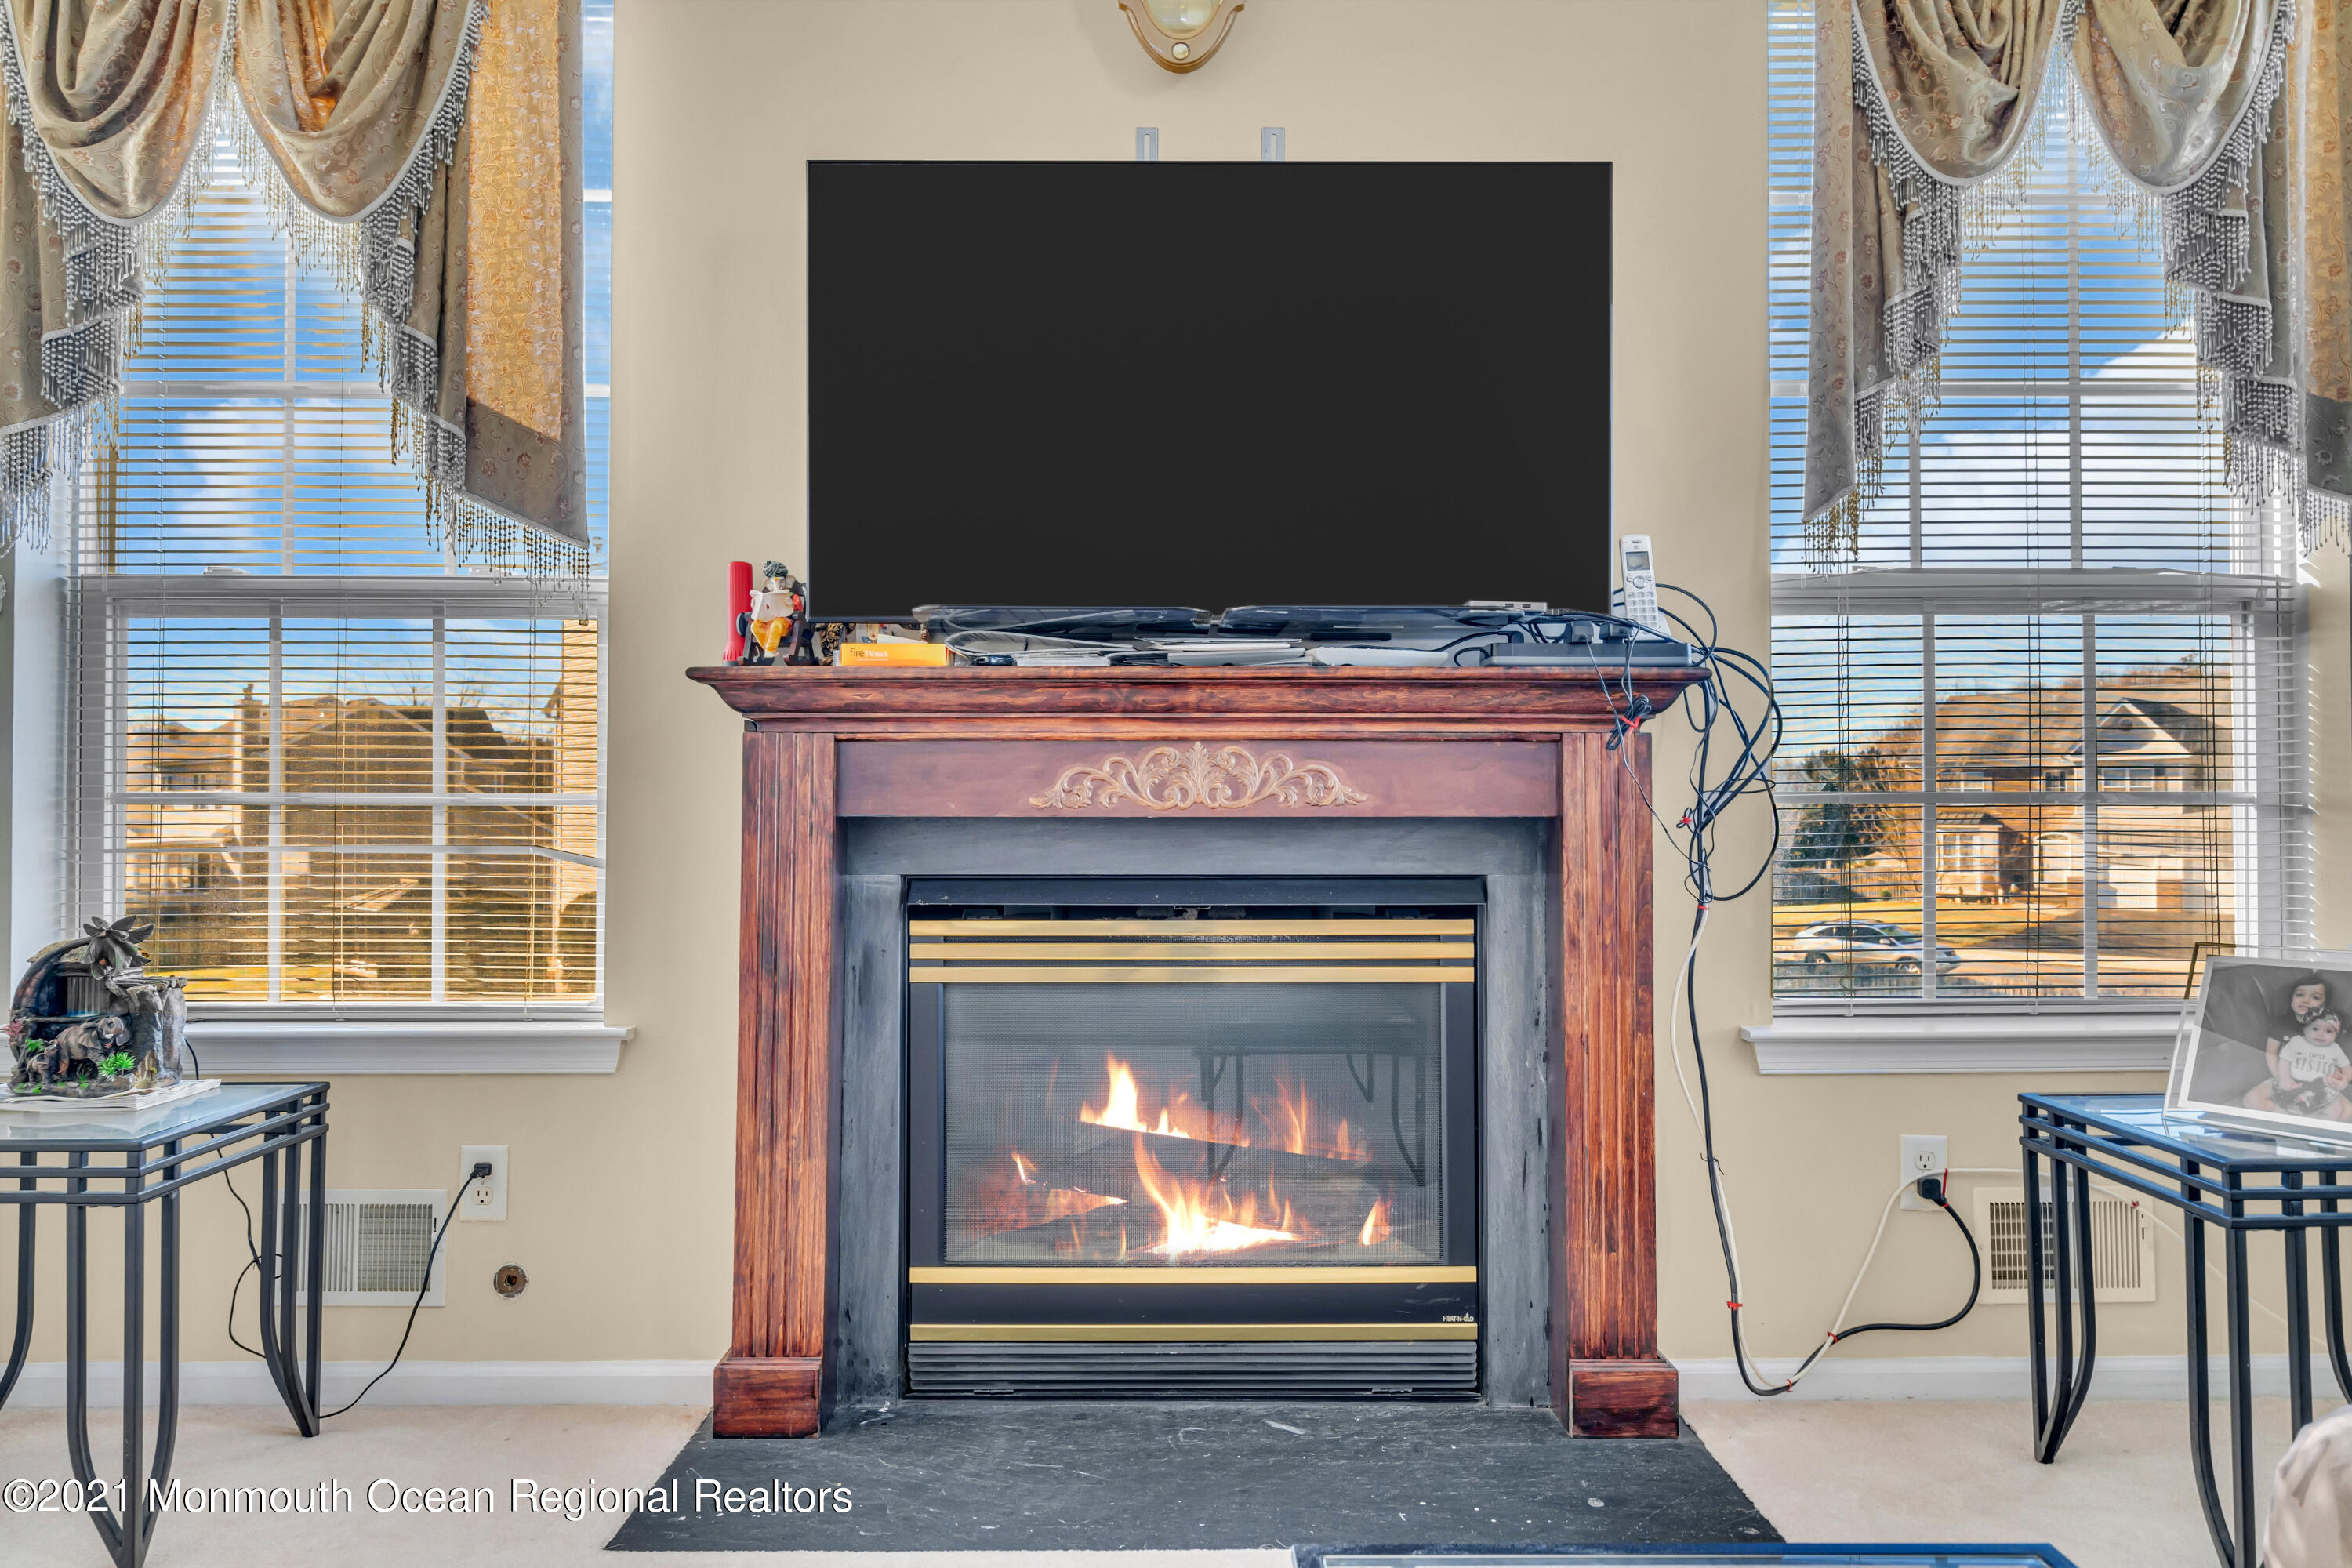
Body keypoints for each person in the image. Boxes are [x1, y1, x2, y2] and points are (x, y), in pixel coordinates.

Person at [2246, 1008, 2352, 1120]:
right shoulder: (2296, 1042)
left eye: (2329, 1031)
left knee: (2336, 1111)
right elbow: (2284, 1061)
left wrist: (2345, 1078)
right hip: (2294, 1085)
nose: (2321, 1034)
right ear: (2305, 1030)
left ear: (2336, 1033)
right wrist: (2284, 1078)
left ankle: (2313, 1127)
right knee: (2280, 1111)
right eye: (2315, 1028)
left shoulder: (2335, 1049)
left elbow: (2347, 1069)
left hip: (2322, 1088)